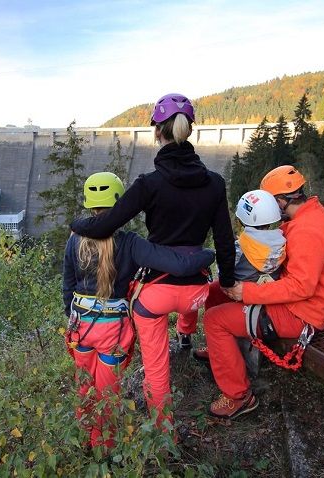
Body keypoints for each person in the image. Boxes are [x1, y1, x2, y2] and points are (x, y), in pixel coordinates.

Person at [70, 94, 236, 427]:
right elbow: (223, 241)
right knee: (194, 277)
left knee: (157, 368)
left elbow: (104, 226)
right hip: (196, 292)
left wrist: (76, 224)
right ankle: (186, 333)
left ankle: (163, 432)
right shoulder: (215, 184)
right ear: (190, 130)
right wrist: (229, 283)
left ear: (157, 132)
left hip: (157, 293)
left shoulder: (150, 184)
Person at [63, 171, 215, 448]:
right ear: (121, 202)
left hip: (80, 326)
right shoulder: (130, 242)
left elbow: (68, 285)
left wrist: (72, 318)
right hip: (113, 330)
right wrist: (207, 254)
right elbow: (177, 265)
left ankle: (83, 439)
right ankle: (103, 447)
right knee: (108, 393)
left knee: (84, 385)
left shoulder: (75, 240)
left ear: (88, 202)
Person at [195, 165, 324, 419]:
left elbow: (301, 287)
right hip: (295, 300)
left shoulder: (308, 231)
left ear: (281, 201)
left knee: (214, 320)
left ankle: (239, 396)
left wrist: (247, 291)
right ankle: (221, 353)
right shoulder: (304, 216)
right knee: (214, 292)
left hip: (301, 312)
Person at [192, 189, 285, 361]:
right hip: (268, 290)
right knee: (213, 290)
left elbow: (225, 272)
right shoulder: (281, 240)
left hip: (245, 293)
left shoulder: (241, 246)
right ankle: (218, 346)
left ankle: (223, 358)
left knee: (214, 303)